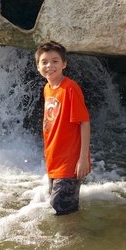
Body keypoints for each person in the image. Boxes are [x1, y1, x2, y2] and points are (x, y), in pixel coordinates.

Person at [35, 41, 91, 215]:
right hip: (54, 159)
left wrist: (83, 159)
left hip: (69, 162)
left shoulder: (70, 89)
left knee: (61, 207)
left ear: (64, 64)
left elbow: (84, 123)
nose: (49, 66)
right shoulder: (47, 88)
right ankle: (72, 238)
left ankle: (74, 239)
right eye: (44, 62)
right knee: (61, 208)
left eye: (55, 61)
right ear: (38, 67)